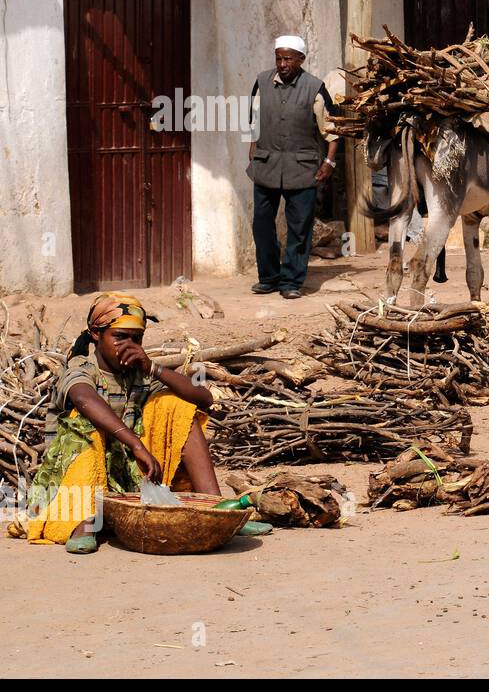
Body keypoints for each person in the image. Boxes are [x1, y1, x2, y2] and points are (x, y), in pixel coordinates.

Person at [20, 293, 270, 554]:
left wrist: (153, 368)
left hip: (124, 476)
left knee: (176, 407)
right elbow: (84, 399)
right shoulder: (81, 369)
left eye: (136, 338)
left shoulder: (139, 371)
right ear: (96, 334)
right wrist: (137, 445)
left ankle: (218, 510)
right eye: (120, 336)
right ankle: (84, 523)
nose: (129, 345)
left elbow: (204, 398)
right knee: (83, 424)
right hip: (74, 485)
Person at [247, 35, 342, 299]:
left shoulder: (315, 87)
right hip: (266, 165)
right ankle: (268, 277)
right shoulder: (262, 82)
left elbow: (332, 129)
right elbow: (253, 123)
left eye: (288, 58)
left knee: (299, 227)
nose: (282, 63)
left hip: (302, 168)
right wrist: (252, 155)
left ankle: (291, 281)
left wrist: (329, 161)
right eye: (278, 58)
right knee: (262, 224)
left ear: (301, 59)